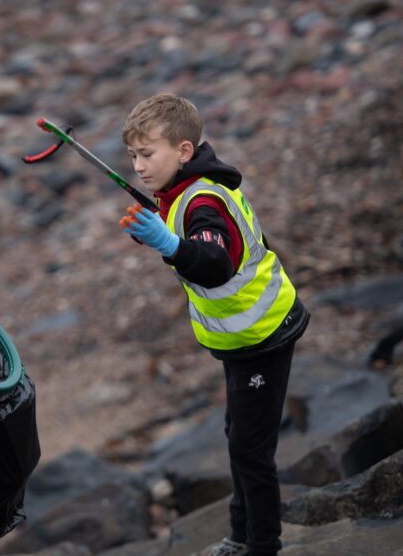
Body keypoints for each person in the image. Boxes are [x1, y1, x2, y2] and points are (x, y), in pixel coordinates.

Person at [118, 94, 310, 556]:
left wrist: (167, 242)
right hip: (243, 338)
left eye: (148, 154)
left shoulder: (203, 199)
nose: (139, 167)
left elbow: (216, 263)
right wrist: (165, 233)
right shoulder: (186, 190)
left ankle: (262, 545)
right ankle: (241, 535)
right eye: (133, 157)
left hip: (264, 334)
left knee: (251, 450)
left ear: (183, 151)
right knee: (238, 436)